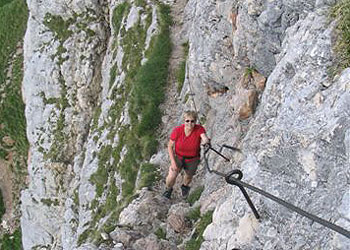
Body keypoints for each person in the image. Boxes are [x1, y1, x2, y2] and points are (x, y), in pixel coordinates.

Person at [163, 111, 210, 199]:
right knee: (172, 175)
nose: (190, 123)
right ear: (184, 121)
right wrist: (173, 162)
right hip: (178, 157)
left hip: (193, 159)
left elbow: (204, 137)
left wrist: (205, 141)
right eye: (187, 121)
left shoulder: (199, 129)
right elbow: (170, 146)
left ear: (195, 122)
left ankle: (184, 186)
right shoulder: (177, 130)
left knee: (188, 176)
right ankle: (168, 189)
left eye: (192, 121)